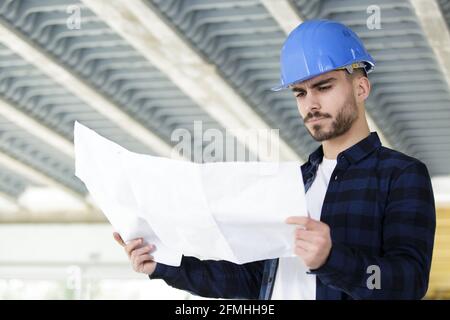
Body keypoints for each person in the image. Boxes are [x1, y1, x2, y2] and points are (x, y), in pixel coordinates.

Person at [113, 19, 436, 300]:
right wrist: (165, 266)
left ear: (361, 87)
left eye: (323, 86)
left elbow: (408, 283)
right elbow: (254, 280)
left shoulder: (401, 175)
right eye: (300, 92)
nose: (310, 104)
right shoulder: (293, 184)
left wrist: (331, 259)